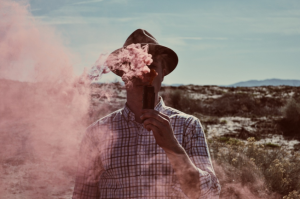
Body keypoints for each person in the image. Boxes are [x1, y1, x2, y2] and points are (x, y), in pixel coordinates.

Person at [72, 29, 221, 199]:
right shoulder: (96, 133)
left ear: (163, 73)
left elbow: (208, 195)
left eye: (151, 67)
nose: (143, 75)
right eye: (134, 66)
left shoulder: (188, 126)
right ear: (122, 74)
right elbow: (83, 195)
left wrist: (172, 146)